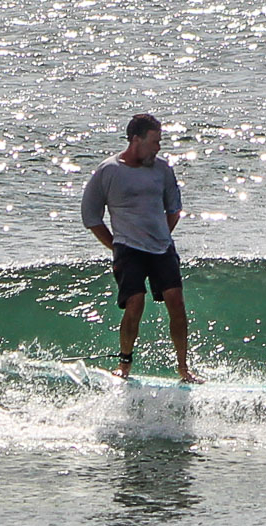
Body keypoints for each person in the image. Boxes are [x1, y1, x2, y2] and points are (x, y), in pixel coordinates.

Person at [81, 113, 203, 383]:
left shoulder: (162, 169)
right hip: (128, 249)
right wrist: (115, 245)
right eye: (154, 142)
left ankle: (184, 369)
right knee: (135, 302)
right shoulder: (108, 171)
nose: (158, 147)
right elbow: (90, 216)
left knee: (176, 301)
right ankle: (125, 363)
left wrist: (159, 235)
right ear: (136, 140)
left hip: (161, 248)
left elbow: (174, 209)